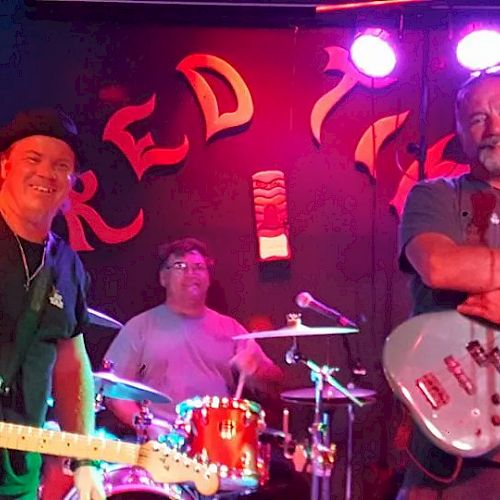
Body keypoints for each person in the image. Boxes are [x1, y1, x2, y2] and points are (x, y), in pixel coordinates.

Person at [397, 66, 500, 499]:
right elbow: (439, 266)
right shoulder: (434, 195)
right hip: (451, 458)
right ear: (460, 132)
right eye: (478, 118)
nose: (493, 128)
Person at [0, 108, 105, 500]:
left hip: (18, 472)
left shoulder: (66, 265)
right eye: (33, 158)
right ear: (4, 165)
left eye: (61, 165)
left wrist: (86, 460)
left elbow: (72, 365)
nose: (47, 173)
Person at [104, 236, 283, 432]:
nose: (191, 273)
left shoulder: (231, 329)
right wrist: (147, 426)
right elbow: (114, 392)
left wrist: (258, 369)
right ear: (163, 277)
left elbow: (274, 384)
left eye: (198, 267)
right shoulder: (139, 327)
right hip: (162, 442)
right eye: (180, 266)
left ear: (208, 278)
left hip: (218, 440)